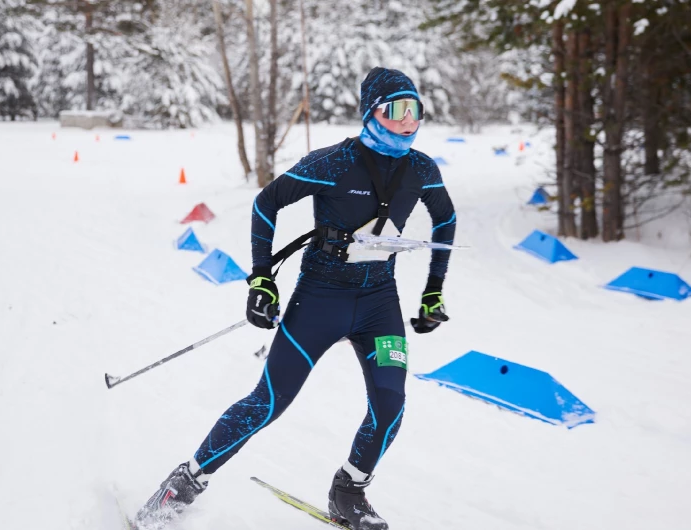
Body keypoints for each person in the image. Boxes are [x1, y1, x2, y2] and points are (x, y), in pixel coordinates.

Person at [134, 67, 456, 530]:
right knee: (269, 402)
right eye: (398, 109)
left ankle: (349, 492)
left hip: (379, 304)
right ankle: (181, 486)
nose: (409, 121)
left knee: (390, 406)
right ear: (372, 113)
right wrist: (262, 279)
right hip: (319, 301)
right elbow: (267, 202)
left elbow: (445, 221)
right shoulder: (334, 163)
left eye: (416, 109)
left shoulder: (422, 169)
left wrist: (432, 292)